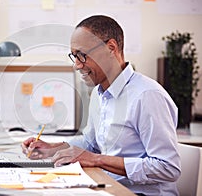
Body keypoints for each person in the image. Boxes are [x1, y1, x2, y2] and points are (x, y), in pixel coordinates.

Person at [21, 15, 181, 195]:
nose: (77, 65)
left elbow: (168, 168)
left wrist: (97, 160)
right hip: (107, 186)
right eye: (74, 57)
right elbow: (90, 143)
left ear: (111, 48)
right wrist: (52, 148)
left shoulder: (147, 96)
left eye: (82, 55)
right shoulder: (99, 93)